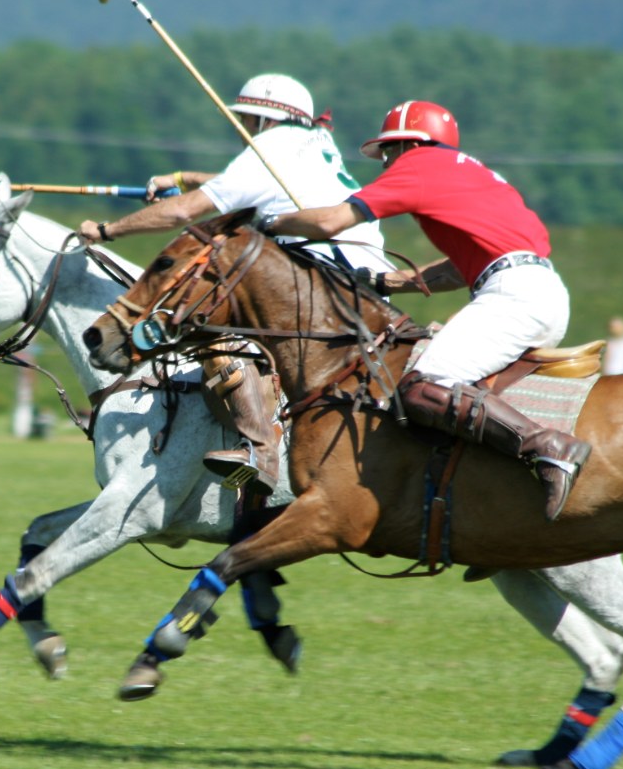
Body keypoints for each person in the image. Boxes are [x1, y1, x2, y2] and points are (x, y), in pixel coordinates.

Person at [258, 100, 590, 521]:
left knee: (422, 387)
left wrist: (269, 223)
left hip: (513, 296)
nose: (386, 165)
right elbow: (462, 266)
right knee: (454, 393)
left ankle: (547, 446)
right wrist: (386, 281)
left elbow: (331, 222)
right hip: (538, 289)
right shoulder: (475, 174)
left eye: (389, 152)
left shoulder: (420, 165)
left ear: (412, 143)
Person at [79, 73, 391, 497]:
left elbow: (182, 214)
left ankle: (259, 450)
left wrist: (106, 229)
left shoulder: (270, 146)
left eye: (244, 118)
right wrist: (185, 176)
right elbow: (243, 183)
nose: (242, 127)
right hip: (364, 278)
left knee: (211, 328)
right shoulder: (312, 141)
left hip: (320, 275)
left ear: (262, 118)